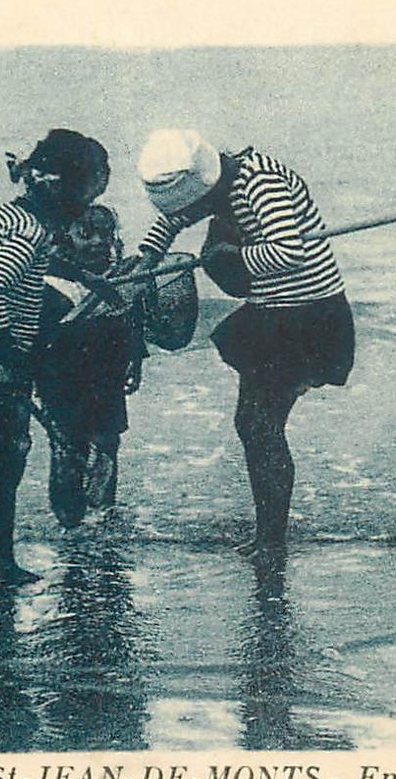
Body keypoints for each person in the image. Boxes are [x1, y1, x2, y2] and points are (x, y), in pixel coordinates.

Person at [133, 128, 354, 559]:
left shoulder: (262, 184)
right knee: (255, 425)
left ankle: (271, 541)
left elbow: (288, 251)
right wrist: (144, 264)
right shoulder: (218, 182)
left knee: (258, 425)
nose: (189, 212)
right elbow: (172, 220)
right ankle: (269, 536)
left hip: (304, 314)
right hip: (272, 309)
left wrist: (234, 259)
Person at [0, 129, 112, 592]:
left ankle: (2, 565)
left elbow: (38, 262)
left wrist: (88, 278)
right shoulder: (27, 232)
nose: (83, 209)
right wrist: (8, 358)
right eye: (84, 195)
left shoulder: (20, 220)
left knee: (8, 466)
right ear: (60, 191)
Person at [36, 204, 147, 529]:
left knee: (108, 442)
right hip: (60, 379)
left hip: (106, 375)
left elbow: (133, 321)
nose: (98, 242)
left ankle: (102, 515)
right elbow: (36, 337)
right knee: (68, 446)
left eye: (105, 234)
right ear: (66, 238)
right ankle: (69, 520)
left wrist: (136, 361)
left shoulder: (121, 275)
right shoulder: (52, 282)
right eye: (86, 234)